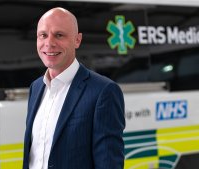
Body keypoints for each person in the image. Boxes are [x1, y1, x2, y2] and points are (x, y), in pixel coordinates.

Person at [23, 7, 125, 169]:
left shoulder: (103, 92)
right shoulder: (36, 88)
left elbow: (109, 164)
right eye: (43, 35)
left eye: (59, 35)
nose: (49, 43)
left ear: (77, 40)